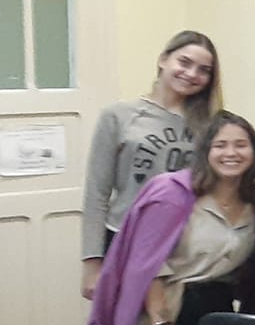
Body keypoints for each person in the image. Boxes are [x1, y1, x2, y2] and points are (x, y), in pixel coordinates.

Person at [87, 112, 255, 325]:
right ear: (205, 152)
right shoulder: (171, 193)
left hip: (215, 313)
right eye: (220, 145)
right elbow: (148, 265)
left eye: (241, 145)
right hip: (162, 311)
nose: (231, 153)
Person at [81, 30, 221, 300]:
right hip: (126, 238)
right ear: (163, 60)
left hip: (186, 244)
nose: (192, 74)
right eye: (184, 62)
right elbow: (96, 194)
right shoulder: (118, 115)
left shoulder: (212, 124)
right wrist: (92, 264)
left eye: (203, 70)